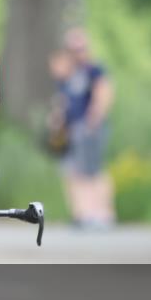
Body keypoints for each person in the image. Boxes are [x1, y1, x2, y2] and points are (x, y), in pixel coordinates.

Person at [55, 27, 115, 229]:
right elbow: (63, 101)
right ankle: (83, 213)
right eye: (72, 49)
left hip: (88, 127)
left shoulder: (93, 70)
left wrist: (94, 119)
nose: (77, 53)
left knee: (93, 170)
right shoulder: (69, 74)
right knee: (73, 171)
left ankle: (103, 214)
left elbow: (104, 93)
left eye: (80, 48)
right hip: (72, 128)